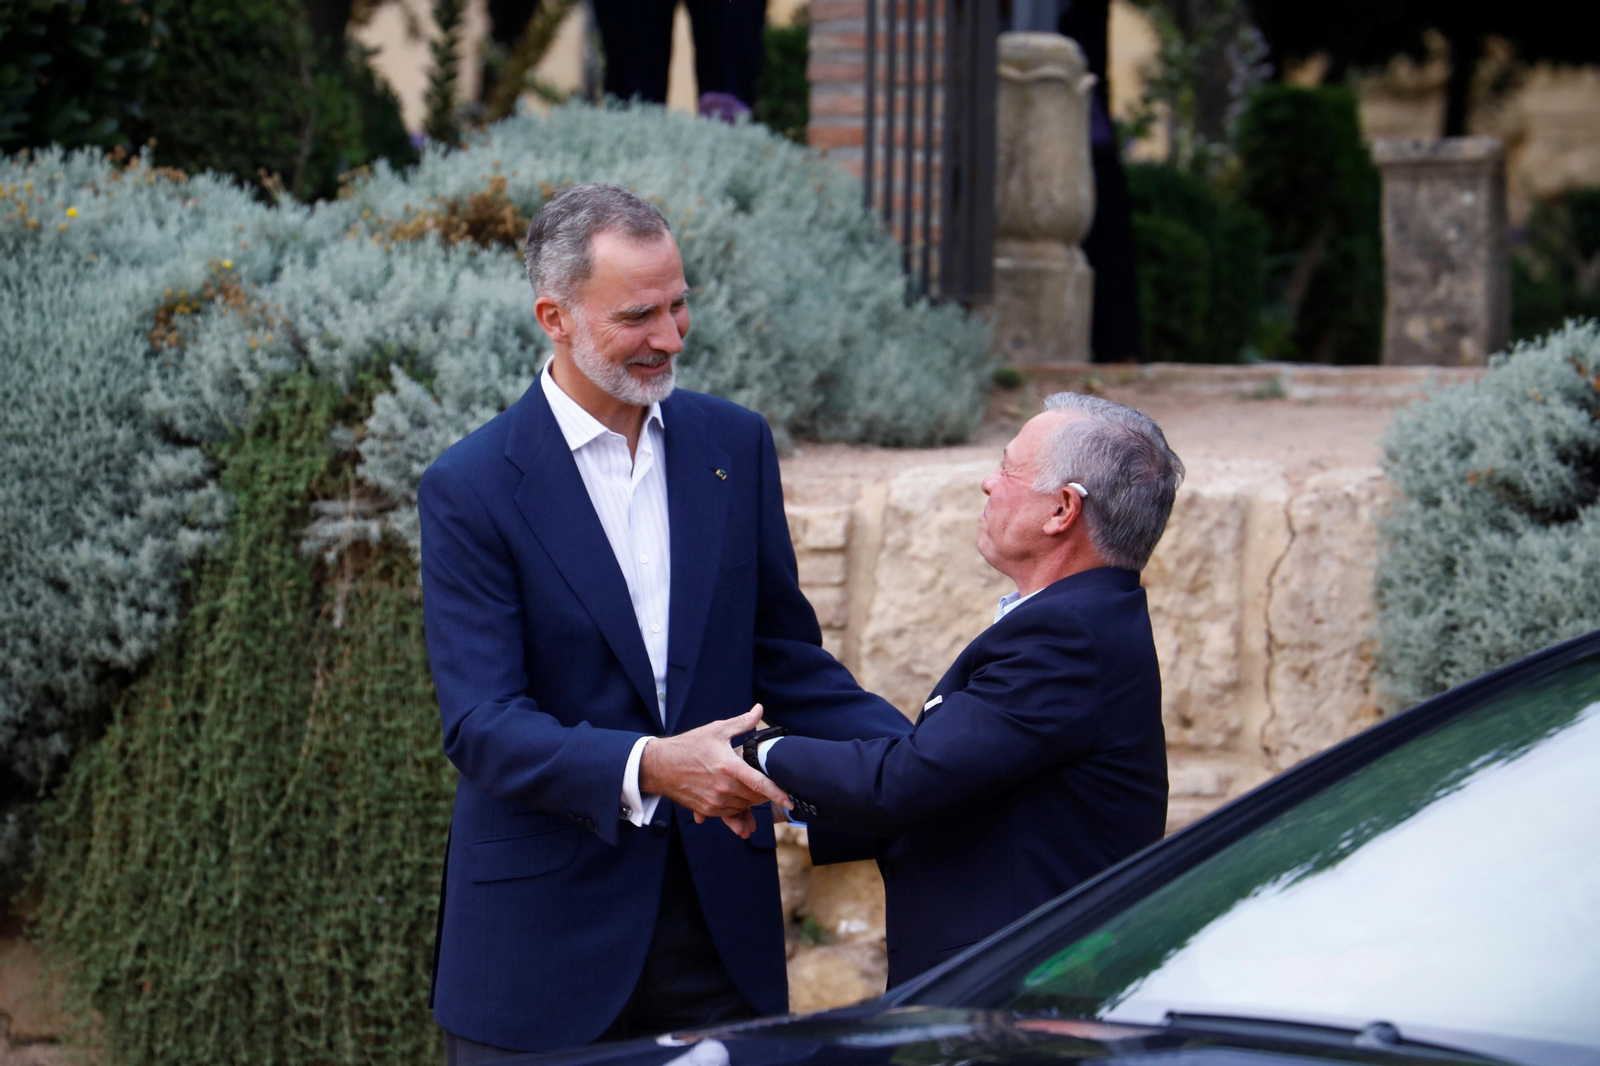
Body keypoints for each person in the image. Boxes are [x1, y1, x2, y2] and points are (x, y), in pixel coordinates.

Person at [417, 182, 909, 1061]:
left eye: (678, 305)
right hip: (539, 956)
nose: (672, 338)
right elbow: (482, 725)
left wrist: (921, 763)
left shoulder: (736, 445)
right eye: (638, 315)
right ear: (554, 317)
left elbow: (784, 660)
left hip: (721, 936)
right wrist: (652, 767)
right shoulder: (471, 486)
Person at [746, 393, 1182, 986]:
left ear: (1061, 509)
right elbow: (969, 786)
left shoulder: (1066, 636)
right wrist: (790, 801)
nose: (988, 483)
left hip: (1013, 995)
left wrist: (756, 755)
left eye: (1008, 469)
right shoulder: (1091, 618)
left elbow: (907, 780)